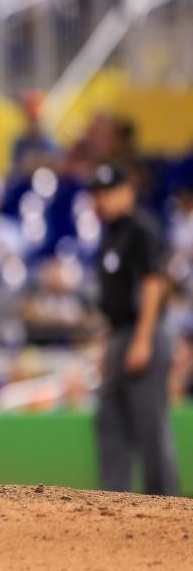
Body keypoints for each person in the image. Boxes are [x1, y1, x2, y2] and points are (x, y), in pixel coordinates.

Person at [91, 162, 178, 495]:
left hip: (144, 331)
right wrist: (107, 346)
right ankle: (115, 502)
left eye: (109, 191)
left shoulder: (142, 229)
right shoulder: (111, 235)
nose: (102, 199)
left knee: (150, 425)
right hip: (119, 335)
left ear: (128, 191)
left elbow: (153, 284)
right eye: (98, 193)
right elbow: (111, 299)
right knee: (108, 416)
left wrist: (143, 339)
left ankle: (166, 507)